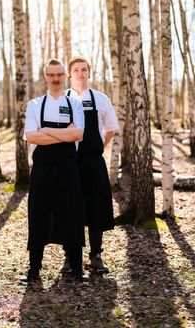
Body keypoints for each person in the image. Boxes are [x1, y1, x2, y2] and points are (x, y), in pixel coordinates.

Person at [23, 58, 85, 283]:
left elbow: (77, 135)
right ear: (46, 77)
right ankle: (34, 269)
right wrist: (63, 134)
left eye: (59, 74)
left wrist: (46, 131)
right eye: (51, 75)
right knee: (38, 214)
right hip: (42, 170)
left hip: (68, 168)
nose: (56, 79)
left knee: (72, 213)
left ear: (65, 76)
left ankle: (77, 267)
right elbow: (31, 136)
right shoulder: (34, 105)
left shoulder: (75, 104)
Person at [62, 56, 119, 274]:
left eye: (83, 69)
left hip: (93, 162)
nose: (79, 73)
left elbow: (110, 129)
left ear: (89, 72)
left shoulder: (100, 98)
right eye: (75, 69)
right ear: (70, 73)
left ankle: (96, 255)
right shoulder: (62, 99)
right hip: (69, 163)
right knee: (70, 209)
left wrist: (98, 148)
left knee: (96, 207)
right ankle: (70, 257)